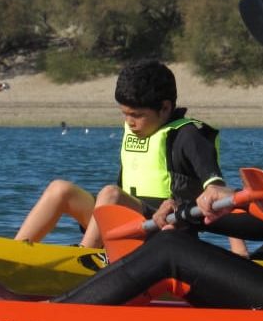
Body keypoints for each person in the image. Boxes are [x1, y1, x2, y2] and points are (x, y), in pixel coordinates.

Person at [0, 47, 263, 310]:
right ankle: (70, 305)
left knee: (172, 253)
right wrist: (196, 212)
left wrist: (251, 200)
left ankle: (51, 316)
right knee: (175, 238)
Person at [13, 60, 244, 255]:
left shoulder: (190, 135)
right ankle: (15, 253)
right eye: (125, 114)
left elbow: (218, 192)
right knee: (60, 189)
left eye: (137, 115)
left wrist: (239, 249)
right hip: (124, 224)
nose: (130, 122)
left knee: (110, 193)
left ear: (164, 108)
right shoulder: (136, 128)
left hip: (166, 229)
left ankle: (87, 258)